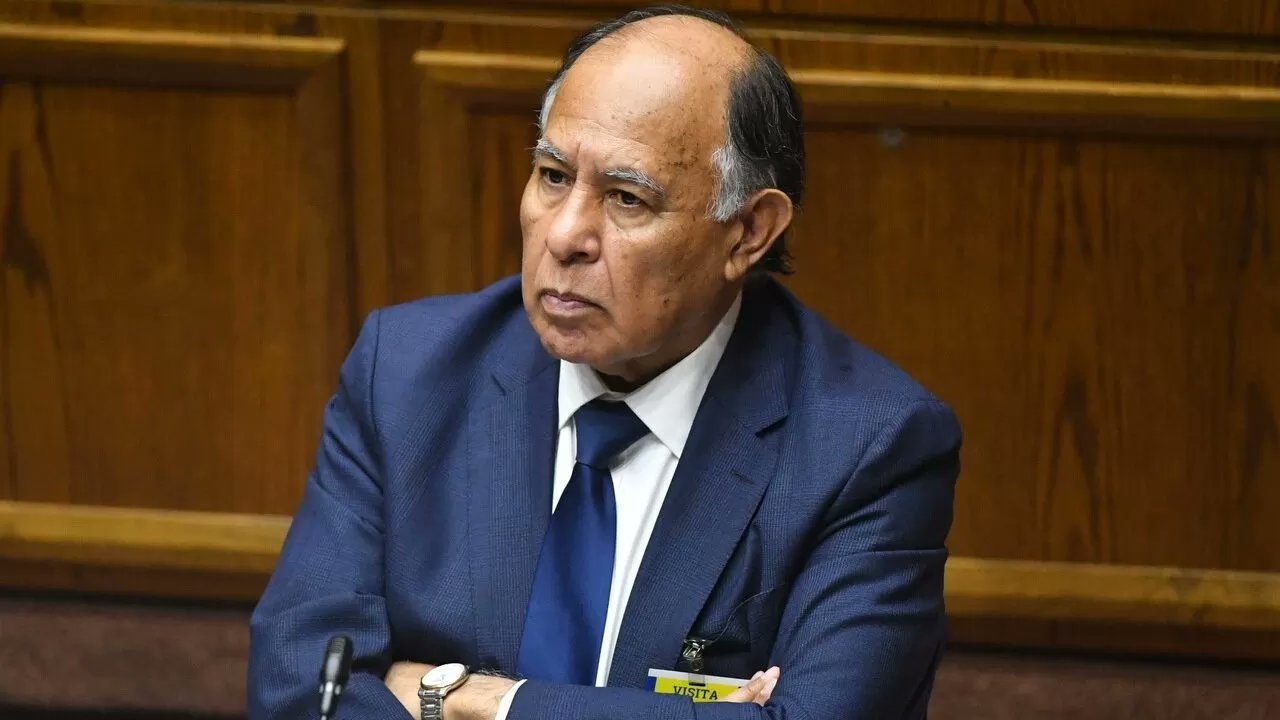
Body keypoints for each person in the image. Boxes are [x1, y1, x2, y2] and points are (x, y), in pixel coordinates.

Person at [248, 5, 961, 719]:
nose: (564, 236)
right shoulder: (407, 372)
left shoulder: (867, 446)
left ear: (748, 231)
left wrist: (473, 702)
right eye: (553, 176)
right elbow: (301, 692)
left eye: (626, 198)